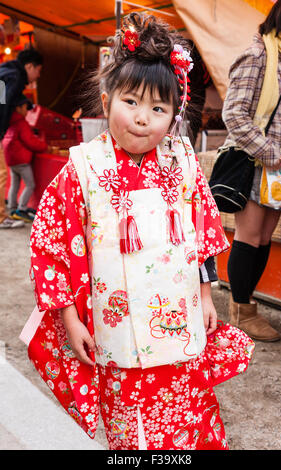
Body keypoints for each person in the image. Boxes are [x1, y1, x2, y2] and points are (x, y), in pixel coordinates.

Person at [23, 13, 254, 450]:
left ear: (175, 115)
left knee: (187, 406)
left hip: (178, 309)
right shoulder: (83, 168)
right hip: (116, 322)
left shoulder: (181, 159)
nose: (143, 119)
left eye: (159, 109)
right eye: (131, 102)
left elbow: (200, 227)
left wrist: (206, 295)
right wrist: (70, 318)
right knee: (132, 427)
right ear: (107, 99)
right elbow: (53, 242)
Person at [220, 0, 281, 342]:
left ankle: (246, 304)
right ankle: (241, 310)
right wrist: (269, 153)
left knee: (265, 239)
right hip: (257, 163)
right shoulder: (258, 55)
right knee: (249, 238)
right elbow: (234, 114)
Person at [0, 47, 43, 229]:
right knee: (1, 175)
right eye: (38, 71)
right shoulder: (14, 77)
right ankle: (1, 217)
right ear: (29, 66)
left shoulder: (6, 71)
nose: (38, 76)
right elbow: (3, 102)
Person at [2, 95, 47, 223]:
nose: (27, 111)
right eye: (26, 108)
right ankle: (21, 209)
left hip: (11, 161)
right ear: (19, 108)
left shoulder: (9, 121)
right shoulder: (21, 123)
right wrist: (44, 146)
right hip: (22, 162)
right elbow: (31, 141)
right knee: (30, 184)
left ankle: (12, 208)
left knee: (15, 185)